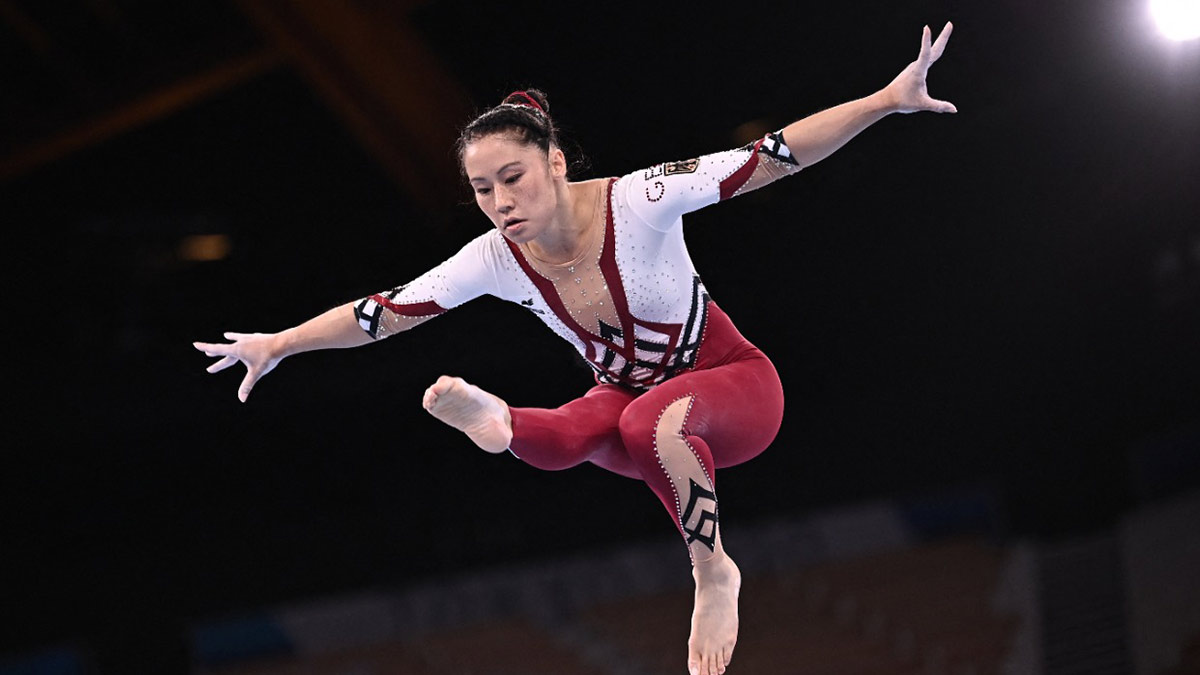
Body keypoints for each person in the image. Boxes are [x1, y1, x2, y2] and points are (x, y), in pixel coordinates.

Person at [195, 23, 956, 675]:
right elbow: (383, 312)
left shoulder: (642, 200)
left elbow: (774, 154)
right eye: (483, 189)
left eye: (513, 178)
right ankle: (498, 423)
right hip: (628, 409)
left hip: (732, 388)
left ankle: (712, 566)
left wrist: (886, 100)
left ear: (555, 161)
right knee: (572, 430)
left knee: (640, 422)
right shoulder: (492, 257)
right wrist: (281, 343)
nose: (499, 203)